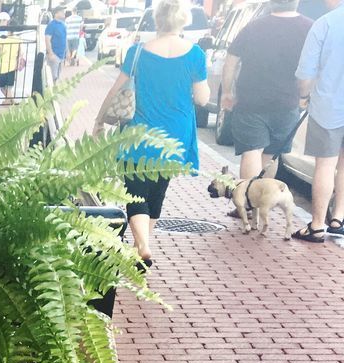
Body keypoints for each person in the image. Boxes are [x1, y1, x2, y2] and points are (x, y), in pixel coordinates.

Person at [93, 0, 210, 266]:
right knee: (157, 192)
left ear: (157, 21)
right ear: (183, 21)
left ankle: (142, 245)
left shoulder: (136, 52)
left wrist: (99, 121)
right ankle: (141, 247)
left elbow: (115, 90)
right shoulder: (196, 55)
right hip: (175, 137)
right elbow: (203, 99)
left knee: (135, 192)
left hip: (138, 135)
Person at [220, 0, 313, 183]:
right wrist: (304, 94)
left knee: (252, 151)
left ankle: (247, 203)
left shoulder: (253, 26)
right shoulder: (310, 28)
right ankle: (261, 204)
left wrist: (227, 91)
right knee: (271, 156)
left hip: (251, 101)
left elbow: (230, 61)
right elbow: (311, 68)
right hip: (287, 103)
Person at [293, 0, 344, 242]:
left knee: (325, 165)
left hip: (328, 106)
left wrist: (304, 96)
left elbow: (305, 73)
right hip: (330, 105)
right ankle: (339, 218)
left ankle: (317, 226)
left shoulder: (326, 23)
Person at [0, 11, 26, 104]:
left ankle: (8, 102)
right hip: (13, 65)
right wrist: (18, 60)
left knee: (2, 87)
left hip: (2, 66)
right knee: (9, 87)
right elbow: (21, 52)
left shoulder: (1, 40)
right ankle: (11, 101)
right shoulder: (18, 39)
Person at [45, 8, 70, 81]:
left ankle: (55, 91)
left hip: (61, 55)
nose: (63, 13)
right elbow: (47, 39)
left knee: (57, 77)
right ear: (56, 14)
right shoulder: (51, 25)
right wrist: (50, 53)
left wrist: (67, 51)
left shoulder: (63, 25)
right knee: (52, 77)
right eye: (61, 11)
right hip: (54, 55)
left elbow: (65, 39)